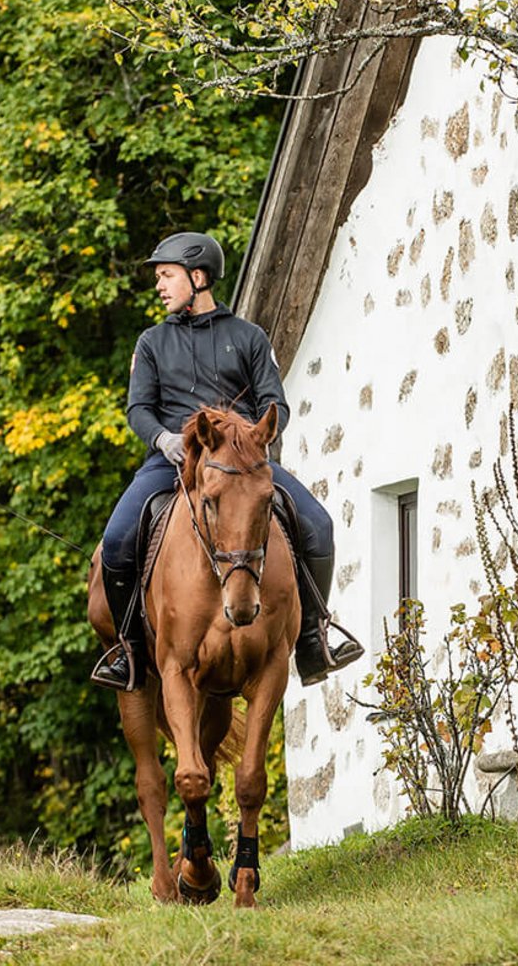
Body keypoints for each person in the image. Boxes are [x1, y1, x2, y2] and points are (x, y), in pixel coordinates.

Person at [91, 231, 362, 692]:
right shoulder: (152, 342)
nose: (159, 286)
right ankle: (130, 653)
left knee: (318, 524)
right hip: (172, 461)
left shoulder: (249, 337)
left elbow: (276, 403)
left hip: (242, 466)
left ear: (198, 277)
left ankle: (314, 640)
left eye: (166, 276)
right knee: (116, 541)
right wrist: (162, 439)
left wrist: (250, 442)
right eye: (159, 277)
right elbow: (138, 409)